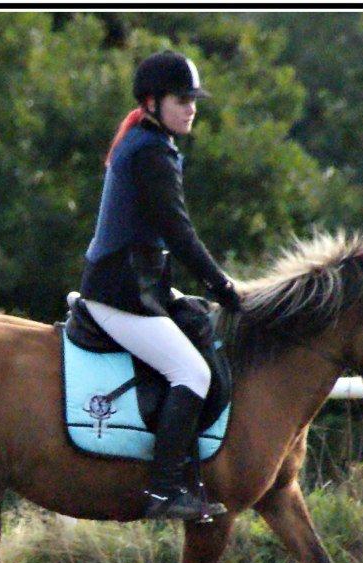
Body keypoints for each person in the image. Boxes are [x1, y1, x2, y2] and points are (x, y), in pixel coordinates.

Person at [79, 50, 242, 521]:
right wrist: (221, 284)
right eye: (181, 100)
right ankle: (163, 491)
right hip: (122, 293)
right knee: (192, 374)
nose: (191, 108)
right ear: (152, 102)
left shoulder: (147, 140)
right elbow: (178, 232)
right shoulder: (150, 151)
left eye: (194, 100)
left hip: (138, 284)